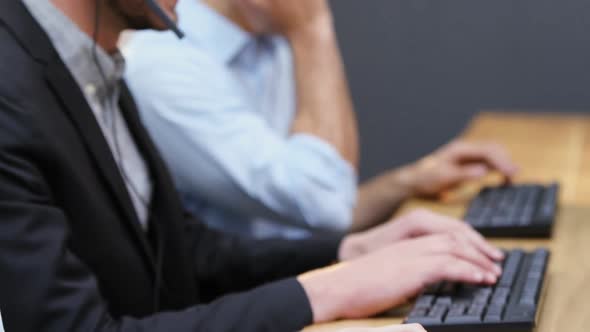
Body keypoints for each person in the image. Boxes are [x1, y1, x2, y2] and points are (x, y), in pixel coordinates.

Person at [0, 0, 503, 331]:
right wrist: (330, 289)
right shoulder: (12, 89)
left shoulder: (93, 62)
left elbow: (182, 249)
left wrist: (348, 249)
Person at [124, 0, 519, 239]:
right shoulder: (165, 65)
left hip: (292, 278)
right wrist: (313, 29)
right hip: (241, 304)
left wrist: (408, 182)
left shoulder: (266, 41)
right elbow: (321, 202)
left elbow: (304, 213)